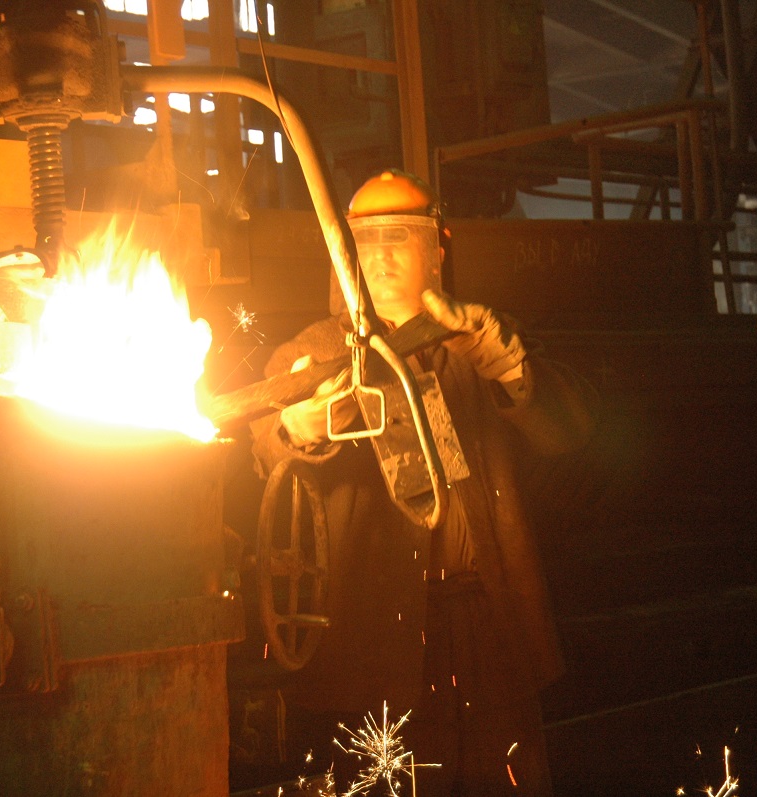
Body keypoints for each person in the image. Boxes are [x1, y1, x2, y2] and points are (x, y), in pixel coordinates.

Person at [250, 169, 597, 795]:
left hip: (488, 621)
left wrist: (513, 371)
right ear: (344, 254)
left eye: (401, 239)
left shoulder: (478, 337)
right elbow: (264, 454)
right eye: (367, 242)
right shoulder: (315, 354)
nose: (382, 257)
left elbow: (569, 432)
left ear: (437, 249)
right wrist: (298, 429)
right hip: (374, 639)